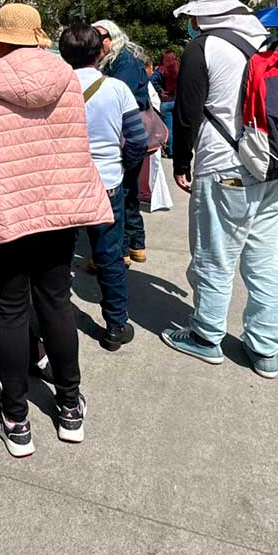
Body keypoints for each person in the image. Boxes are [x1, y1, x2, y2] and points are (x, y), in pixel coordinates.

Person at [0, 3, 112, 457]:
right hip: (59, 208)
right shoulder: (67, 80)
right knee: (56, 304)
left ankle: (17, 419)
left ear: (2, 41)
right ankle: (69, 408)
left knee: (9, 311)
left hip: (6, 212)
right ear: (37, 39)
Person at [162, 0, 278, 380]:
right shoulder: (265, 40)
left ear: (202, 14)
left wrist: (181, 162)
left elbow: (186, 115)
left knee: (215, 255)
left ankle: (206, 336)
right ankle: (265, 347)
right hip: (274, 162)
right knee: (266, 260)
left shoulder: (204, 48)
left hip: (225, 165)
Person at [58, 23, 148, 352]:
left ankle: (59, 320)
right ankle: (114, 327)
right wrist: (121, 164)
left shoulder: (54, 90)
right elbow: (137, 140)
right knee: (110, 258)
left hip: (66, 184)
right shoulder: (116, 89)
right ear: (100, 52)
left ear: (63, 54)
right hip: (107, 183)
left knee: (60, 258)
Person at [92, 19, 151, 264]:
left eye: (99, 36)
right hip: (129, 131)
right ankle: (135, 245)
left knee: (121, 192)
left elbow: (118, 97)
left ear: (111, 36)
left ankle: (122, 251)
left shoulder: (122, 60)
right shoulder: (121, 58)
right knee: (128, 191)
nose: (95, 42)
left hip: (126, 132)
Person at [150, 51, 179, 158]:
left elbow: (152, 80)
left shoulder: (161, 70)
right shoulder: (179, 69)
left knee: (169, 128)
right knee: (178, 127)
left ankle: (170, 150)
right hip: (178, 100)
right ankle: (179, 149)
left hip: (166, 102)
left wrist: (160, 91)